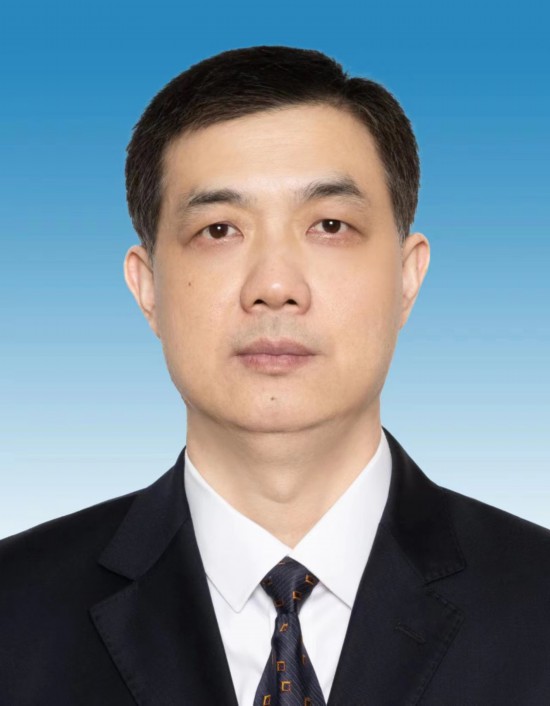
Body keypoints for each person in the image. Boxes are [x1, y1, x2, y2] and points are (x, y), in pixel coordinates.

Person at [0, 45, 549, 706]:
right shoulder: (14, 611)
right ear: (147, 289)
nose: (275, 285)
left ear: (408, 278)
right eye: (219, 230)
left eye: (329, 225)